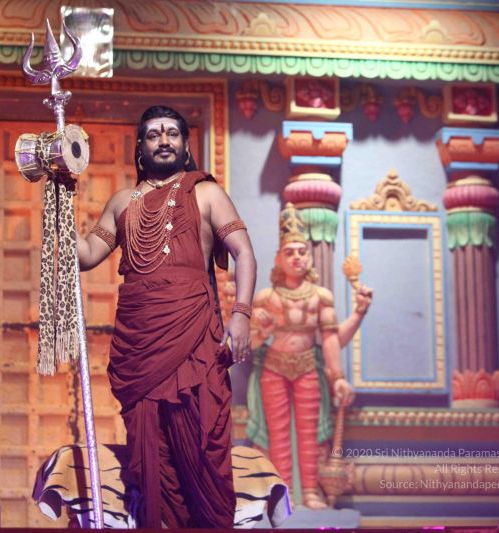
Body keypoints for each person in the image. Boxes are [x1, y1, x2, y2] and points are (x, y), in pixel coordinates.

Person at [75, 105, 257, 528]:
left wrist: (242, 314)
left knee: (203, 453)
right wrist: (58, 200)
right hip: (141, 347)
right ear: (140, 147)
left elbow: (244, 253)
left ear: (186, 146)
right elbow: (86, 255)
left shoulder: (206, 192)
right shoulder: (122, 202)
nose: (164, 140)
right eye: (154, 134)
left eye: (172, 133)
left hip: (195, 340)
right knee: (153, 468)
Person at [247, 206, 372, 509]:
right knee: (277, 434)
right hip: (274, 367)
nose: (297, 257)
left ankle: (311, 492)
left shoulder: (320, 297)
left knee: (310, 433)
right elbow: (249, 345)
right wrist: (260, 331)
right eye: (289, 252)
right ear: (278, 259)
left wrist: (338, 376)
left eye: (302, 252)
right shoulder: (266, 298)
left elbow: (331, 339)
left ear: (311, 258)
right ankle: (283, 492)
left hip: (307, 368)